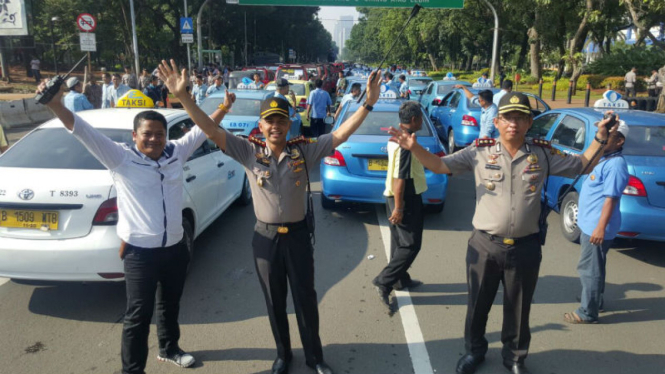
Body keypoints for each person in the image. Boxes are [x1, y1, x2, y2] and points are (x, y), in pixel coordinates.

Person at [157, 59, 383, 374]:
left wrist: (369, 104)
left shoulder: (305, 151)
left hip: (299, 238)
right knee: (274, 302)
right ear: (261, 126)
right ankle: (283, 355)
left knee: (305, 299)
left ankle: (315, 358)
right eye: (269, 121)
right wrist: (184, 99)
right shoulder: (248, 151)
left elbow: (341, 134)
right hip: (264, 240)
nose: (275, 126)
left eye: (280, 120)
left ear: (289, 123)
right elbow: (210, 129)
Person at [388, 93, 619, 374]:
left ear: (529, 122)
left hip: (526, 246)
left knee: (519, 309)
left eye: (521, 118)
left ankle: (515, 358)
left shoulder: (542, 153)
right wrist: (414, 148)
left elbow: (583, 164)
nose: (514, 123)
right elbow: (440, 165)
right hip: (484, 245)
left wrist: (601, 139)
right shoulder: (479, 151)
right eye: (508, 117)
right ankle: (474, 351)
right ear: (496, 122)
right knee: (477, 305)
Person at [36, 75, 234, 374]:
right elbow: (82, 131)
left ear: (166, 136)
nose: (154, 139)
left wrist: (224, 107)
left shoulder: (177, 152)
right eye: (147, 134)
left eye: (159, 134)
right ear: (134, 136)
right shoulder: (120, 158)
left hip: (176, 248)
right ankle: (132, 370)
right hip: (140, 253)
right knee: (137, 316)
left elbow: (202, 130)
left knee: (170, 304)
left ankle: (169, 348)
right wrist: (55, 106)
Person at [564, 121, 629, 324]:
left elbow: (611, 199)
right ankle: (594, 300)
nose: (603, 137)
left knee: (589, 269)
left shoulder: (616, 164)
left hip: (597, 226)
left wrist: (600, 228)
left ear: (619, 141)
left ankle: (587, 312)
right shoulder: (603, 158)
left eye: (609, 135)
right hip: (590, 223)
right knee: (595, 266)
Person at [372, 101, 426, 310]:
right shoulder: (405, 144)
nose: (422, 120)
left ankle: (400, 279)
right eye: (420, 117)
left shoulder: (399, 138)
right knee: (411, 244)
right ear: (413, 120)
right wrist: (399, 207)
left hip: (394, 195)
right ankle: (384, 281)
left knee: (398, 240)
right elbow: (401, 177)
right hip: (404, 196)